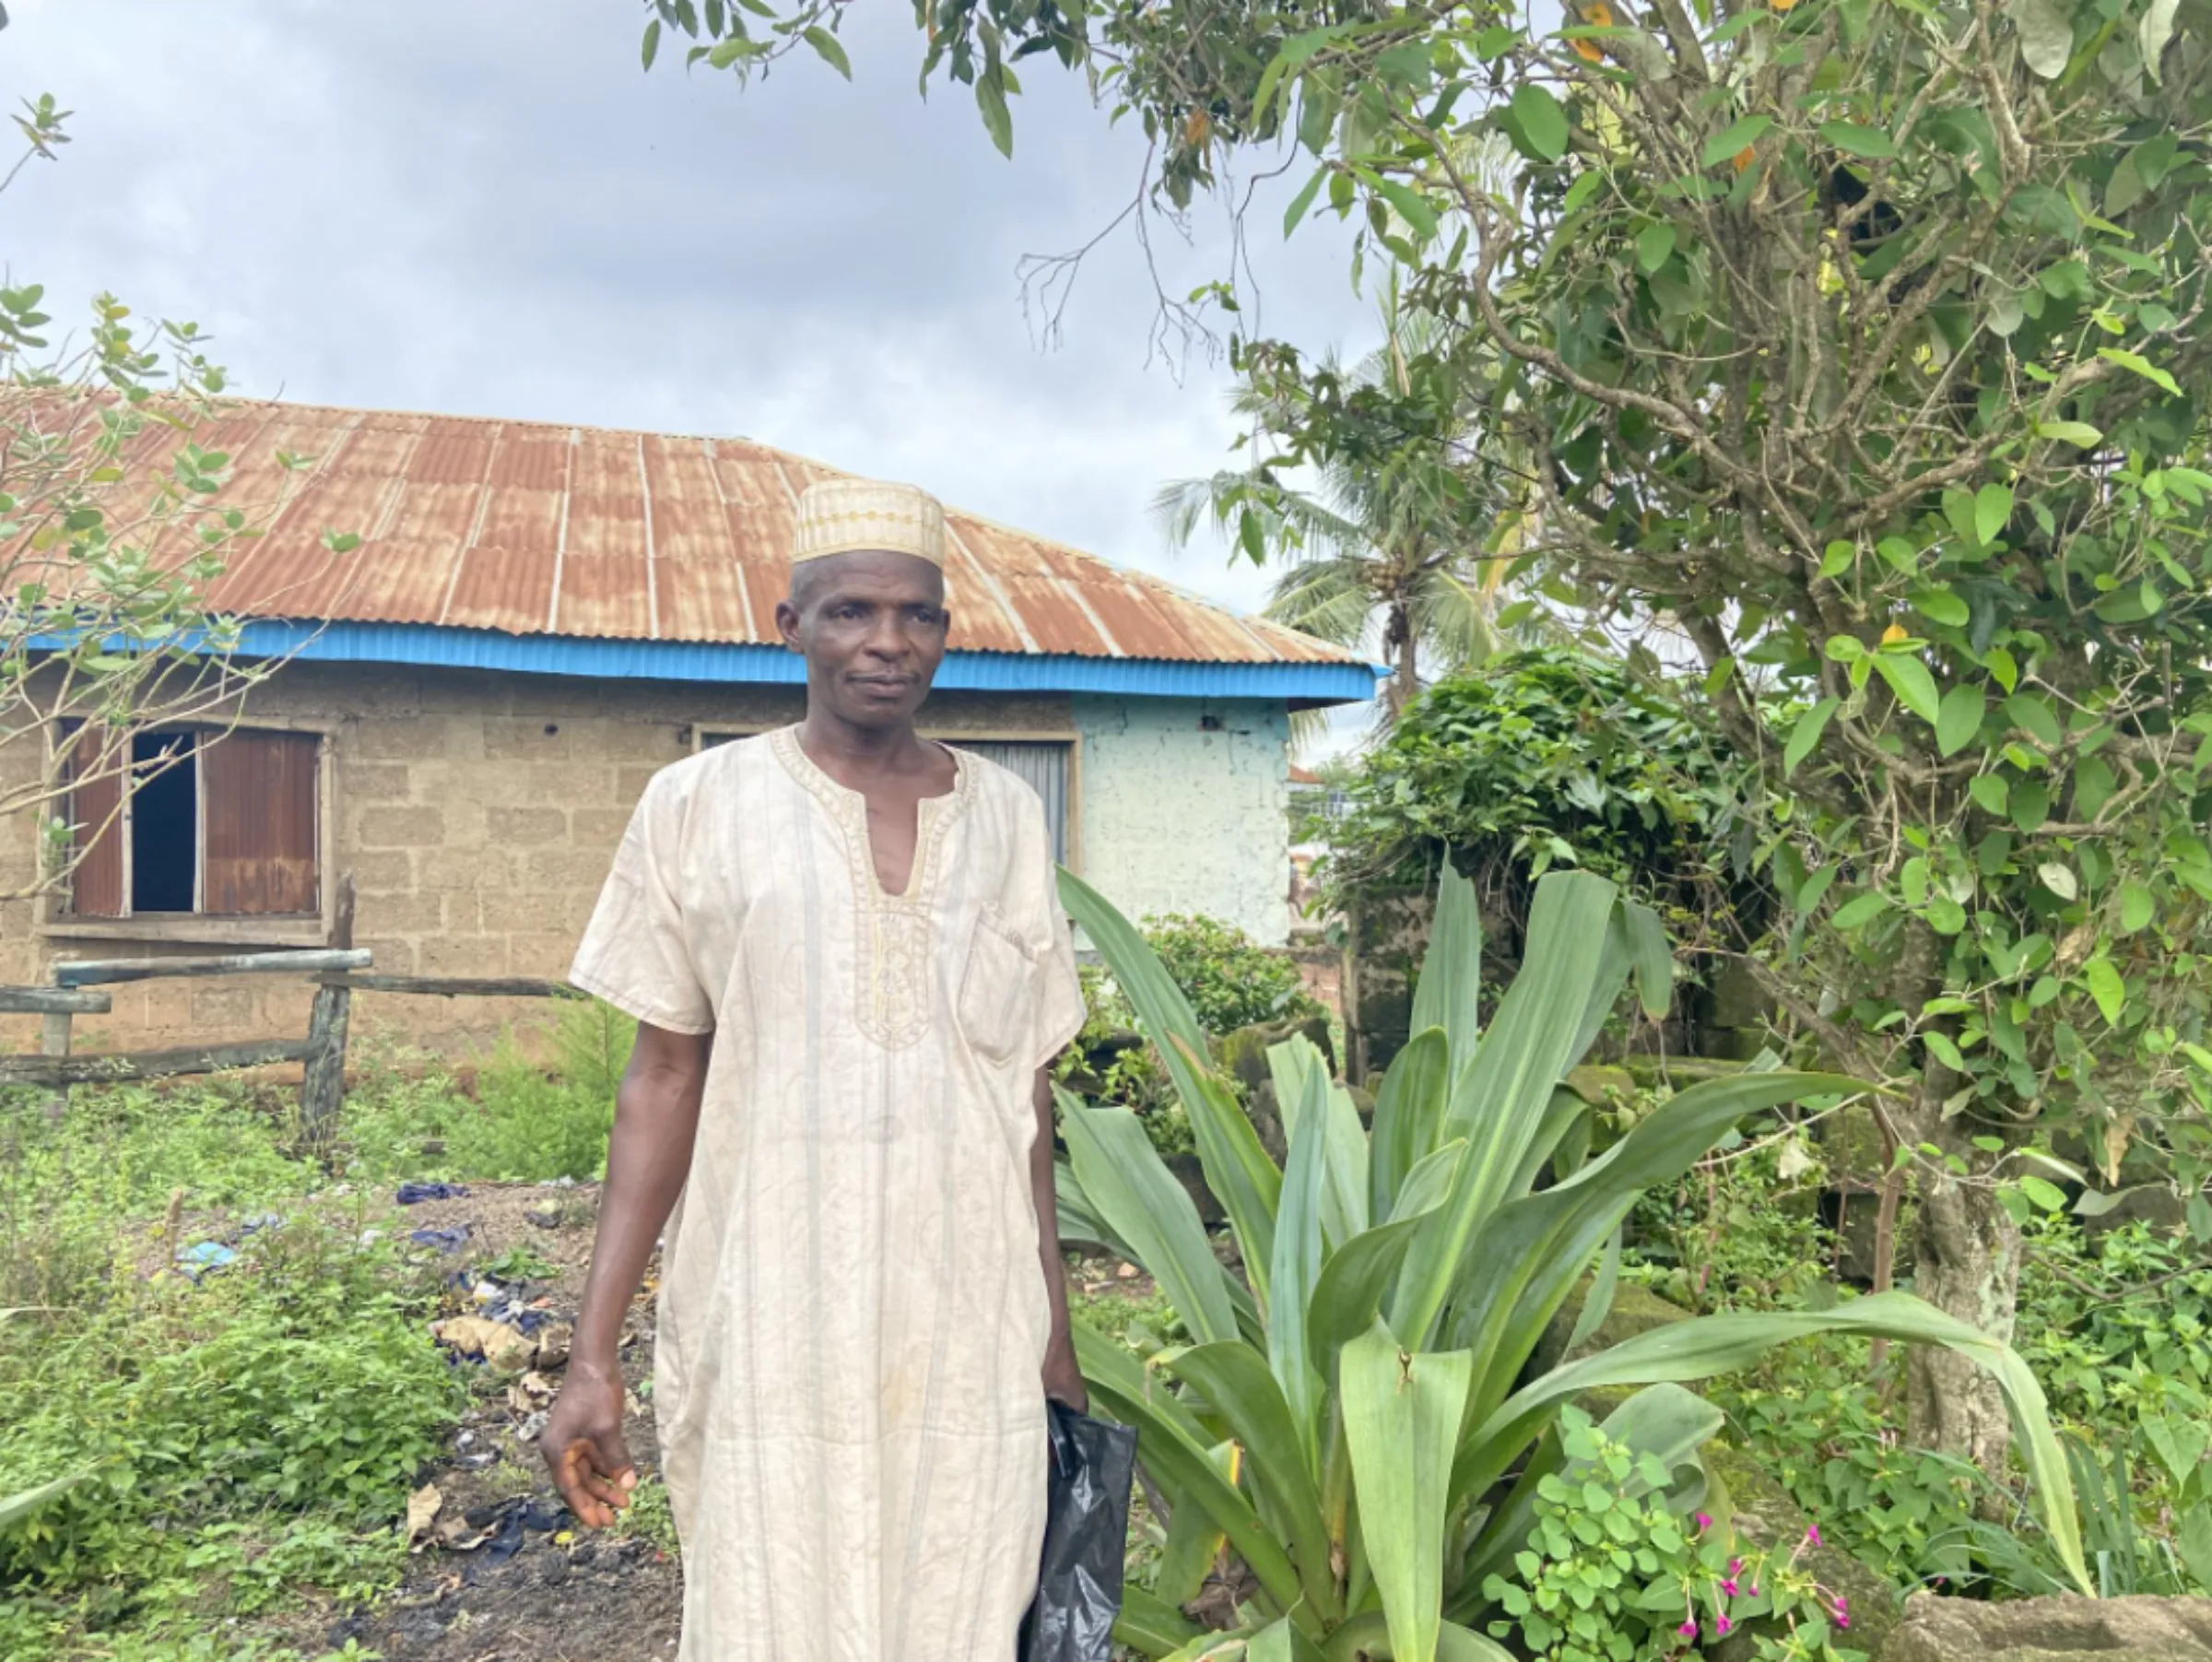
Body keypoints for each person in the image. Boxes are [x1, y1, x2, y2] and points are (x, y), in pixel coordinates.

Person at [539, 477, 1089, 1661]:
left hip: (968, 1316)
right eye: (848, 612)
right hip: (769, 1307)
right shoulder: (699, 805)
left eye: (917, 615)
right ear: (788, 624)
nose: (887, 644)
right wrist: (593, 1356)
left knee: (964, 1598)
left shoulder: (1004, 822)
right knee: (770, 1602)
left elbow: (1024, 1104)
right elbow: (663, 1080)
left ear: (947, 631)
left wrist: (1051, 1332)